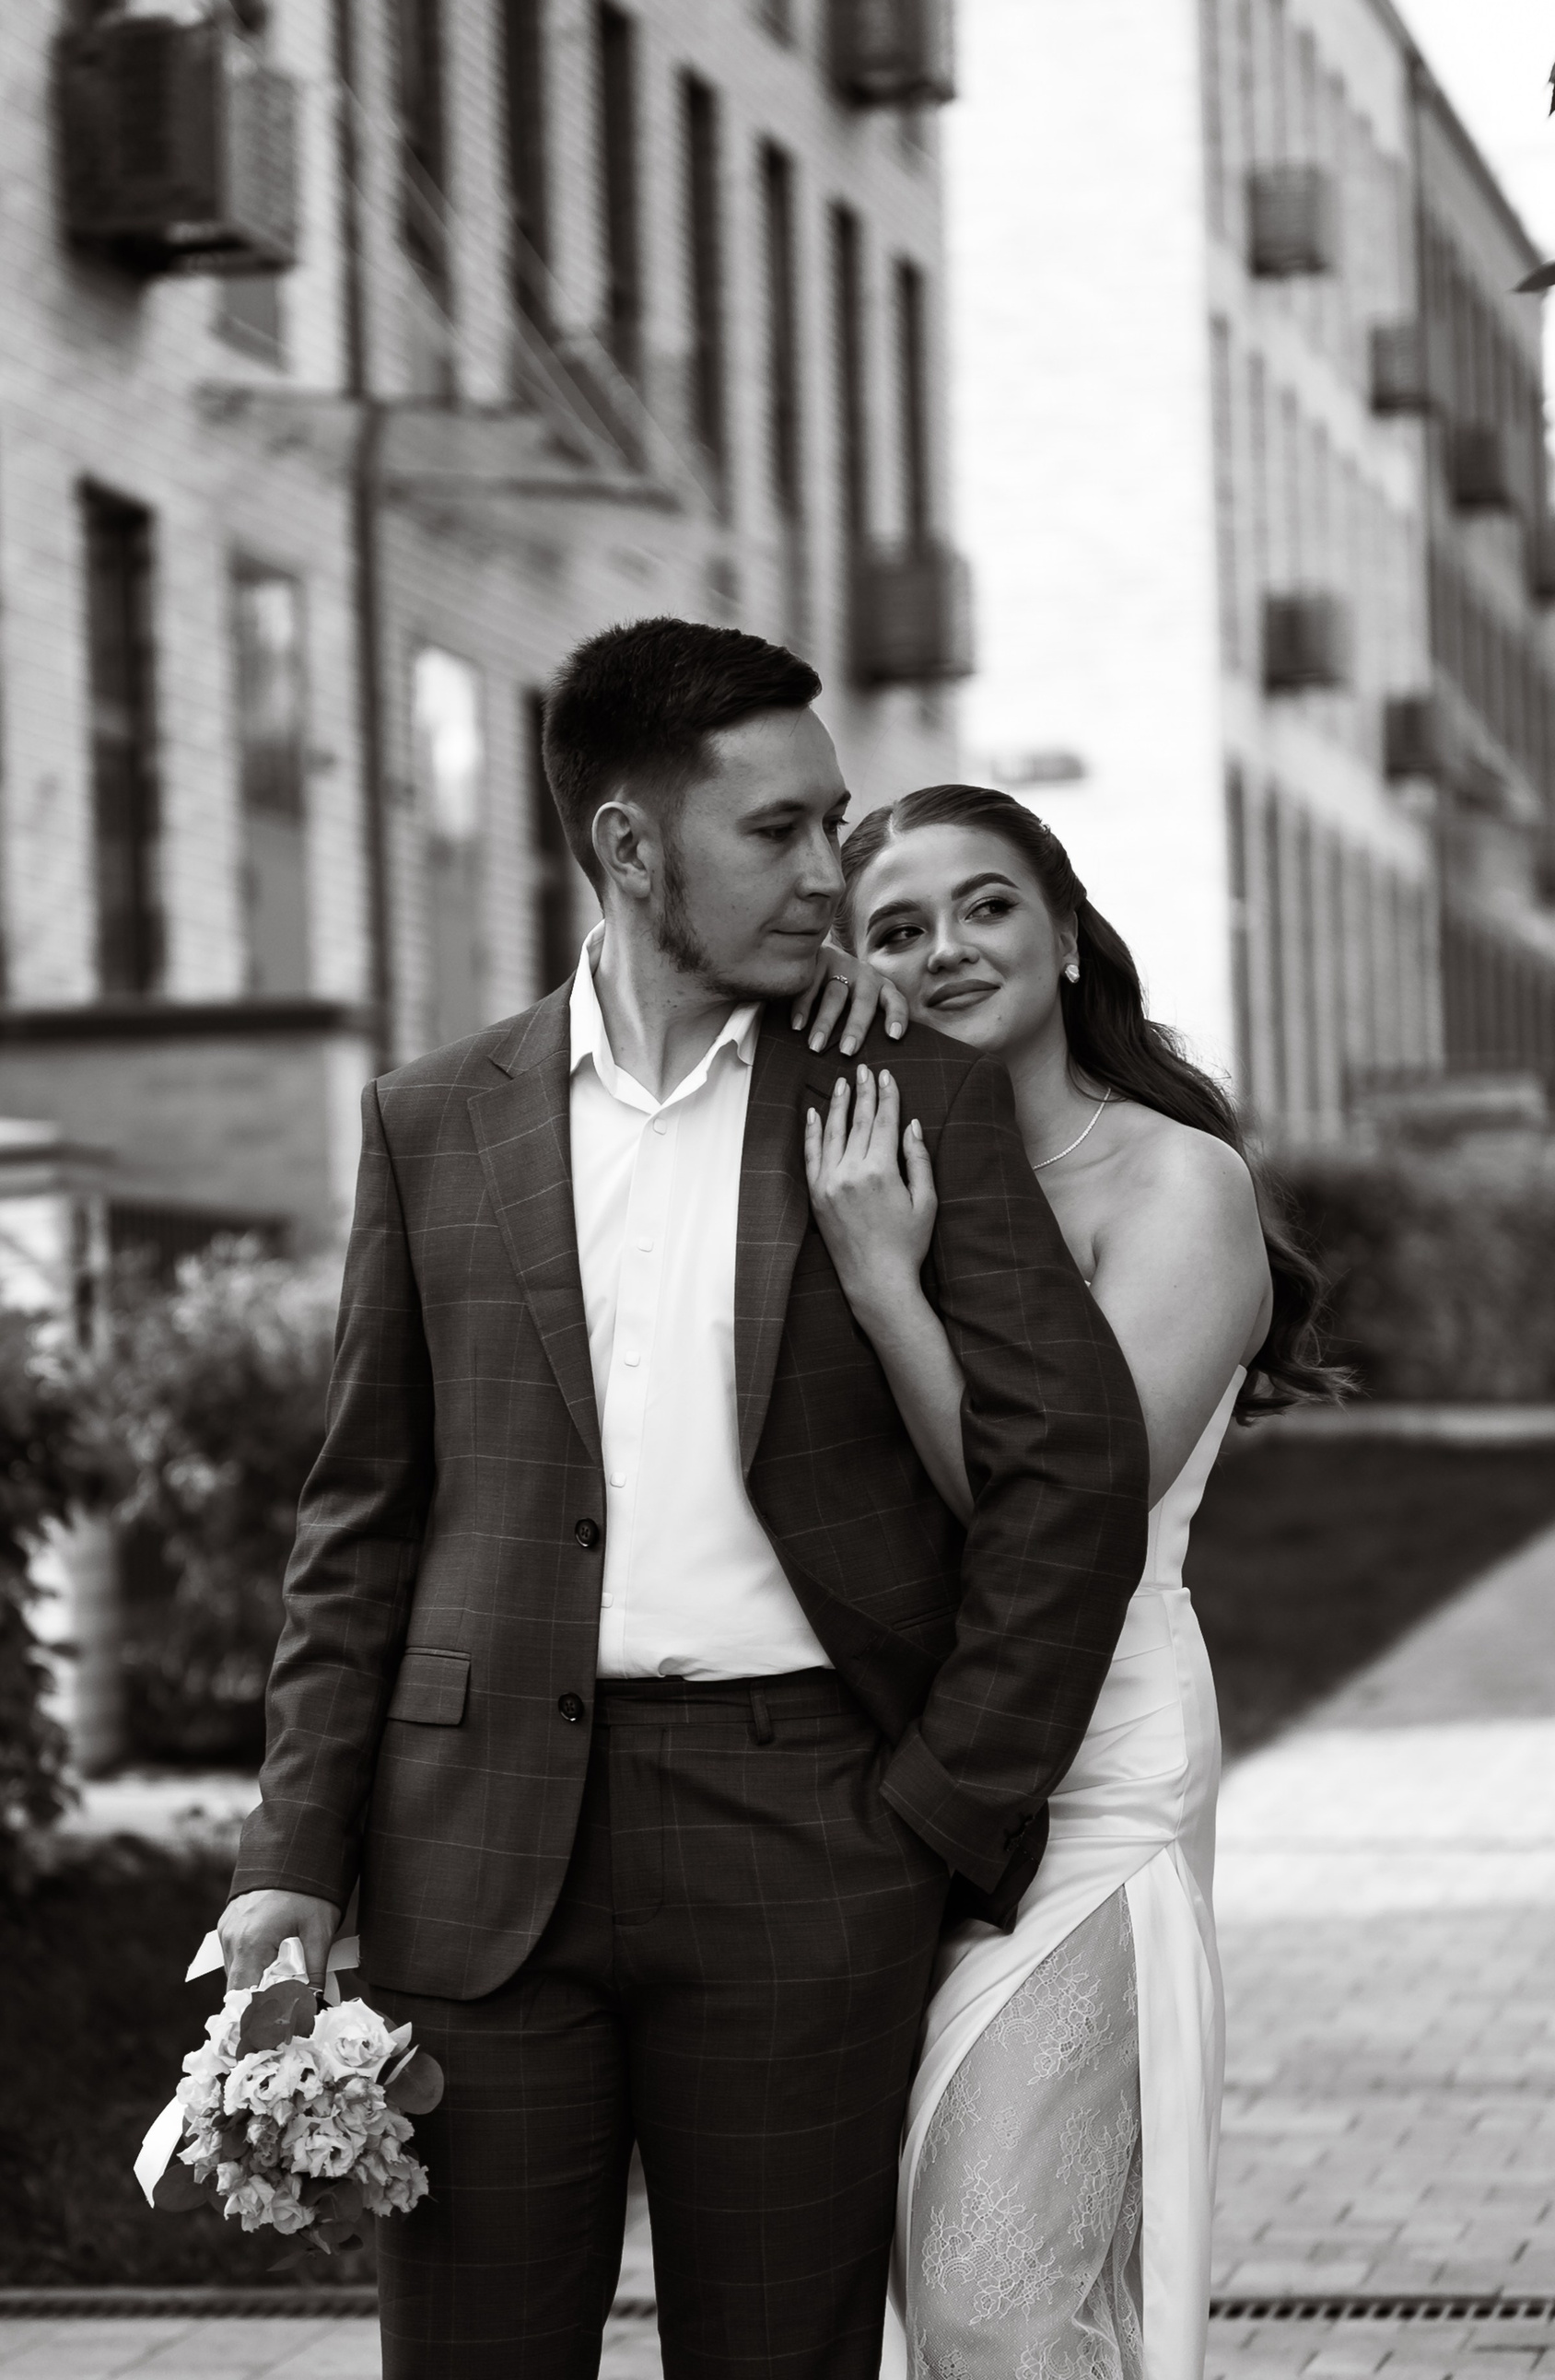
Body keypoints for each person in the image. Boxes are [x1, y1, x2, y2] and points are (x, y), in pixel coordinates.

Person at [217, 623, 1153, 2380]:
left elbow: (1075, 1478)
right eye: (776, 832)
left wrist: (939, 1808)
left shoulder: (908, 1092)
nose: (830, 877)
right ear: (631, 848)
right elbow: (363, 1524)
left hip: (809, 1838)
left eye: (832, 826)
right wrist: (292, 1859)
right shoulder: (436, 1119)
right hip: (475, 1858)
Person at [803, 784, 1335, 2380]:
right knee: (934, 2282)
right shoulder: (864, 1166)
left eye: (987, 906)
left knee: (996, 2289)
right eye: (898, 928)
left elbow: (1062, 1515)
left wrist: (887, 1289)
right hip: (889, 1779)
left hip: (1099, 1768)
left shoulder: (1177, 1184)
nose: (948, 950)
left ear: (1067, 934)